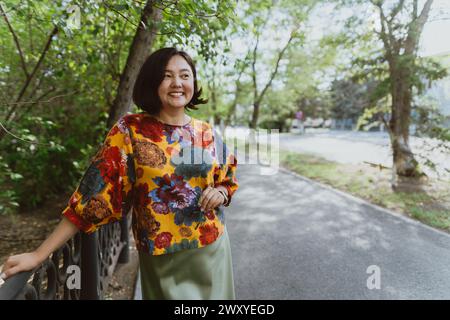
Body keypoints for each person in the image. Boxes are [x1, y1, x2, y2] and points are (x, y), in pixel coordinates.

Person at [0, 47, 239, 300]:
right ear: (153, 81)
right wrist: (39, 254)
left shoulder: (206, 132)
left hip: (212, 248)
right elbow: (91, 198)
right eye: (167, 75)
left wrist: (221, 192)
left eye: (185, 75)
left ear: (193, 82)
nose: (177, 83)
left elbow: (228, 177)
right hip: (162, 259)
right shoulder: (130, 131)